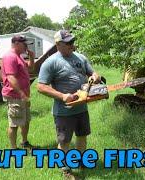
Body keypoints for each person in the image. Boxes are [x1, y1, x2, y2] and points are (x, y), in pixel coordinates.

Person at [37, 30, 100, 173]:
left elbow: (93, 73)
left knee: (82, 136)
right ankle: (65, 169)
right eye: (68, 43)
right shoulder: (51, 62)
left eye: (72, 42)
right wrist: (62, 96)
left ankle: (81, 162)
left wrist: (95, 76)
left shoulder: (80, 58)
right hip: (64, 111)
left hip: (82, 107)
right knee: (64, 141)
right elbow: (40, 87)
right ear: (58, 44)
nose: (72, 45)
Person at [1, 35, 35, 149]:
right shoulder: (10, 57)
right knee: (14, 123)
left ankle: (24, 142)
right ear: (16, 43)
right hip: (15, 95)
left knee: (25, 120)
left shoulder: (18, 56)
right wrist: (21, 94)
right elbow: (11, 78)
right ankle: (13, 148)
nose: (26, 47)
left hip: (23, 95)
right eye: (24, 44)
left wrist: (31, 57)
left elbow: (30, 68)